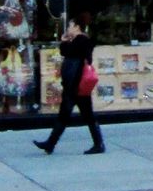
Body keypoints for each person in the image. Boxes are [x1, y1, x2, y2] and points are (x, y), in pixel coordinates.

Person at [34, 11, 105, 155]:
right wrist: (66, 41)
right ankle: (51, 143)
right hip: (75, 86)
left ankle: (97, 144)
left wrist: (65, 41)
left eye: (71, 25)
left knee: (75, 115)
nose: (68, 28)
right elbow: (66, 52)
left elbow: (67, 52)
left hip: (76, 85)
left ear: (77, 27)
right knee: (71, 115)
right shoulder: (78, 40)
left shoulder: (82, 40)